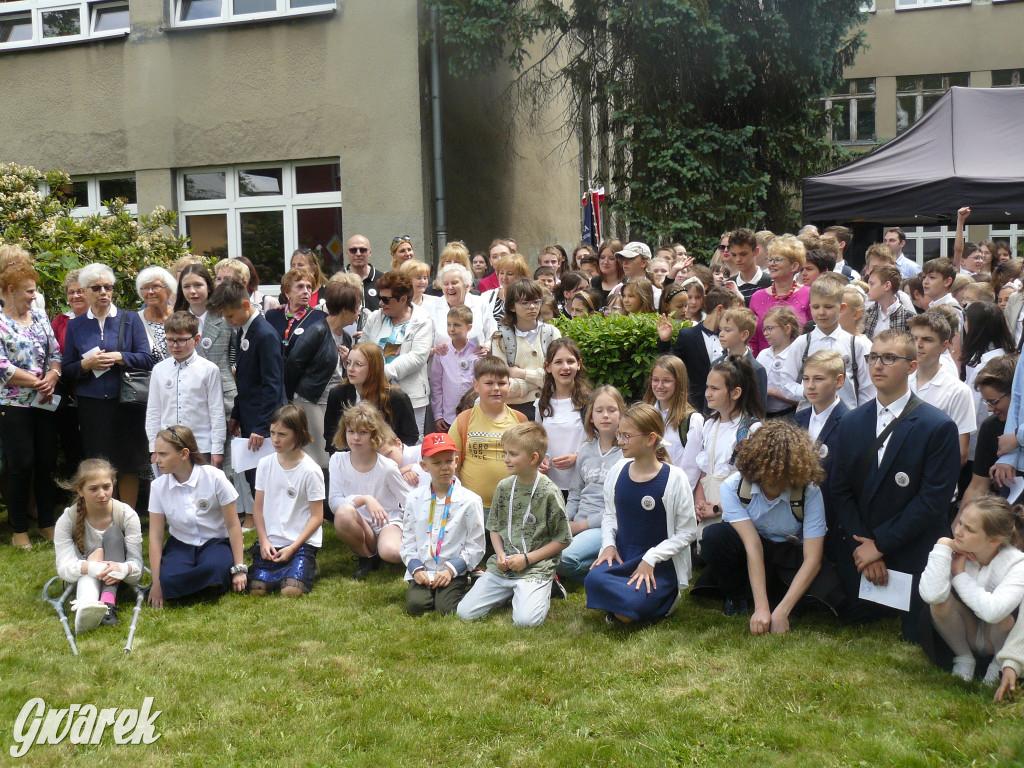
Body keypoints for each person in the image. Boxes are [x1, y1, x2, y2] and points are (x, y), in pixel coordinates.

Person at [830, 330, 961, 643]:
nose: (878, 365)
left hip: (911, 548)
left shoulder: (937, 426)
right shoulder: (851, 421)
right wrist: (864, 546)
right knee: (849, 614)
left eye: (889, 358)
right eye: (873, 357)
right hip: (862, 545)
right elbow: (840, 489)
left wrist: (882, 545)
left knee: (919, 632)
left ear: (912, 366)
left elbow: (932, 502)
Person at [700, 421, 838, 631]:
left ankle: (780, 601)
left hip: (788, 556)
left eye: (783, 477)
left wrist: (783, 612)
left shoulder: (810, 492)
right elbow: (753, 546)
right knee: (714, 536)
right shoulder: (733, 487)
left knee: (827, 595)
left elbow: (812, 559)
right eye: (768, 475)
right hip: (751, 553)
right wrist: (762, 609)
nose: (775, 483)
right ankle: (738, 598)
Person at [585, 403, 697, 624]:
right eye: (619, 434)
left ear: (650, 438)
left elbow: (687, 532)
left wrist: (651, 558)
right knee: (592, 579)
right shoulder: (618, 470)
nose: (620, 442)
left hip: (657, 566)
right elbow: (609, 514)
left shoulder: (675, 478)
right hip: (622, 557)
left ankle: (629, 607)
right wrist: (608, 544)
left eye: (627, 436)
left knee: (632, 605)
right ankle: (624, 607)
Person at [457, 422, 572, 626]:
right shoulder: (504, 487)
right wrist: (500, 554)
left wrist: (527, 559)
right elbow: (494, 527)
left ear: (533, 458)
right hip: (505, 565)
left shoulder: (549, 492)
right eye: (505, 453)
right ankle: (512, 592)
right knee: (465, 613)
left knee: (526, 622)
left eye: (512, 454)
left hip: (536, 566)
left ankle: (548, 585)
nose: (506, 459)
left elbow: (562, 539)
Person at [62, 262, 154, 511]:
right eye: (96, 288)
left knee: (129, 462)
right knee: (99, 465)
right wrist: (85, 364)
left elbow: (147, 358)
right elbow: (67, 369)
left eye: (108, 287)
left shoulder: (130, 318)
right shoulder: (76, 325)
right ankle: (105, 515)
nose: (103, 292)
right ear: (85, 291)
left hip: (126, 400)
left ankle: (129, 517)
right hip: (92, 405)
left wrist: (118, 357)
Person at [920, 495, 1024, 683]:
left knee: (1003, 618)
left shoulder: (1017, 564)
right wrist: (943, 547)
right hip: (964, 633)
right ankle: (964, 658)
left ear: (994, 541)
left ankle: (997, 665)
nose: (958, 532)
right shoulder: (952, 549)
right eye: (960, 523)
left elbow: (993, 613)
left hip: (1000, 639)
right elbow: (931, 595)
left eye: (969, 529)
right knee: (939, 605)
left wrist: (959, 574)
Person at [208, 278, 286, 521]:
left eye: (230, 316)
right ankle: (268, 535)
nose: (228, 321)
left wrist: (263, 427)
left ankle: (276, 533)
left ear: (245, 304)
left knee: (266, 483)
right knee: (255, 481)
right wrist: (237, 415)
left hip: (265, 423)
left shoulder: (264, 334)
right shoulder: (245, 330)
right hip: (250, 417)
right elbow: (246, 381)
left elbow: (272, 385)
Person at [147, 425, 246, 607]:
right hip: (181, 544)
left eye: (163, 454)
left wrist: (239, 568)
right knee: (167, 579)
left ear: (184, 454)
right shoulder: (158, 487)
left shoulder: (215, 477)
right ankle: (206, 585)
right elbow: (155, 535)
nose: (156, 460)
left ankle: (198, 583)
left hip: (215, 541)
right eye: (156, 453)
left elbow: (233, 526)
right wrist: (157, 583)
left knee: (214, 567)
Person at [0, 263, 62, 549]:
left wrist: (53, 375)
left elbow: (55, 352)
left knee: (47, 461)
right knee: (21, 464)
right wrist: (38, 382)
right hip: (14, 403)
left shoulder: (39, 316)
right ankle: (20, 529)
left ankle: (47, 523)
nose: (33, 296)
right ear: (10, 290)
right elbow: (3, 367)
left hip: (45, 401)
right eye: (29, 291)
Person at [399, 432, 486, 615]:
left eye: (448, 461)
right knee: (417, 607)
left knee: (446, 609)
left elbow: (476, 544)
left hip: (451, 570)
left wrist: (451, 570)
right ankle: (427, 588)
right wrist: (416, 569)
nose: (444, 467)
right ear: (424, 466)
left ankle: (470, 580)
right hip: (423, 568)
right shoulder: (414, 498)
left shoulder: (470, 501)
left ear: (456, 461)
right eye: (437, 463)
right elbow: (408, 539)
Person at [54, 458, 143, 633]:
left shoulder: (127, 514)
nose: (101, 494)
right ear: (80, 490)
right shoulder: (67, 520)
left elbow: (137, 568)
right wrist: (92, 567)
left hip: (117, 579)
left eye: (106, 487)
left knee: (113, 534)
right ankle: (87, 606)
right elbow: (64, 568)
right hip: (84, 577)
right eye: (93, 489)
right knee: (96, 553)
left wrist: (123, 569)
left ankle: (107, 603)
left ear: (113, 484)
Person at [329, 402, 412, 579]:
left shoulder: (387, 467)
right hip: (358, 522)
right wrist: (364, 499)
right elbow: (334, 502)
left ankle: (384, 548)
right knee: (343, 512)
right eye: (351, 432)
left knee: (392, 553)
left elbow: (409, 501)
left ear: (374, 435)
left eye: (363, 433)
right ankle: (366, 557)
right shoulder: (337, 461)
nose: (356, 438)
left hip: (387, 522)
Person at [250, 405, 325, 596]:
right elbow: (257, 509)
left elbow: (317, 517)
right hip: (272, 541)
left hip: (299, 543)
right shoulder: (265, 464)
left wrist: (293, 547)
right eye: (272, 432)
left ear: (299, 434)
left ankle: (308, 563)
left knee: (291, 591)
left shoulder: (311, 470)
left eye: (282, 434)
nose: (275, 439)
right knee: (257, 590)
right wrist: (264, 540)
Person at [284, 281, 355, 471]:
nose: (358, 313)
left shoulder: (346, 337)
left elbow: (344, 374)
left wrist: (348, 361)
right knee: (319, 460)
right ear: (344, 309)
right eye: (355, 308)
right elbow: (293, 366)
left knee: (335, 457)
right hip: (312, 402)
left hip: (334, 404)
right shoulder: (317, 331)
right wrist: (290, 400)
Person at [558, 386, 625, 582]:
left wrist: (580, 526)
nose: (606, 416)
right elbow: (575, 495)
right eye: (599, 410)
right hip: (577, 521)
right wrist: (564, 521)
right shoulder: (585, 450)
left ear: (621, 413)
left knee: (562, 559)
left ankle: (605, 567)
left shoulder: (626, 454)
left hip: (604, 526)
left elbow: (618, 507)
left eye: (612, 410)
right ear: (591, 417)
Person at [693, 355, 765, 542]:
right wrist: (700, 501)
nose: (708, 393)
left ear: (735, 393)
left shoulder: (750, 429)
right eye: (708, 387)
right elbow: (705, 470)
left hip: (736, 513)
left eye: (715, 389)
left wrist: (718, 508)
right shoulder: (710, 424)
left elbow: (752, 482)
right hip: (709, 507)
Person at [779, 275, 874, 412]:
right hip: (810, 419)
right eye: (816, 307)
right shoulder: (802, 343)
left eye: (828, 307)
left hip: (846, 419)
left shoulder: (856, 344)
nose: (821, 312)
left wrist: (861, 417)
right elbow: (786, 384)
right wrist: (808, 391)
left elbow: (867, 388)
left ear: (841, 307)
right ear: (810, 307)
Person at [145, 312, 226, 466]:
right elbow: (154, 411)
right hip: (168, 445)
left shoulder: (209, 369)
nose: (175, 345)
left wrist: (217, 448)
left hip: (201, 445)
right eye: (170, 340)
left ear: (196, 339)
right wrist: (153, 447)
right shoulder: (159, 370)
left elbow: (216, 411)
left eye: (182, 340)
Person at [449, 356, 528, 511]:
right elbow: (453, 466)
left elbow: (527, 466)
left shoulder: (520, 421)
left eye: (501, 383)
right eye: (489, 383)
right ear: (476, 386)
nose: (496, 388)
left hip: (511, 507)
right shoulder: (463, 420)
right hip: (472, 507)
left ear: (509, 385)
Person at [363, 270, 434, 436]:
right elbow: (363, 347)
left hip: (410, 396)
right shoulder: (375, 317)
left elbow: (417, 358)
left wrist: (381, 373)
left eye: (386, 299)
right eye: (379, 298)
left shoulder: (422, 321)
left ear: (403, 299)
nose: (381, 303)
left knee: (409, 445)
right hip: (375, 395)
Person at [794, 350, 849, 560]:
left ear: (838, 381)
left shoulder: (849, 421)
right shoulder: (800, 417)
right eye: (806, 379)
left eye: (818, 379)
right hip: (798, 508)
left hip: (831, 512)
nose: (810, 385)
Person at [907, 313, 976, 468]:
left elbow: (961, 454)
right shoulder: (900, 381)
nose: (918, 344)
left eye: (927, 339)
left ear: (944, 346)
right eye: (914, 338)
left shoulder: (958, 391)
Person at [656, 286, 740, 412]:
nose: (736, 317)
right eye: (732, 311)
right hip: (695, 406)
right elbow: (670, 367)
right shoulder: (688, 335)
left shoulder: (733, 337)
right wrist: (664, 341)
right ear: (720, 309)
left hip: (726, 407)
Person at [324, 342, 418, 450]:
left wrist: (391, 456)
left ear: (374, 368)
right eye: (348, 363)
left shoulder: (397, 398)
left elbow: (410, 437)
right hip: (350, 460)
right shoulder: (338, 394)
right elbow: (331, 435)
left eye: (358, 364)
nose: (350, 368)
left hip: (387, 460)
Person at [491, 278, 562, 420]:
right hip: (513, 411)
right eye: (525, 302)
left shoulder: (551, 333)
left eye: (536, 302)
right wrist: (538, 382)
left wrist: (521, 373)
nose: (532, 307)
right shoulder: (500, 338)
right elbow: (502, 386)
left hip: (548, 406)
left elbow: (557, 377)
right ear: (512, 306)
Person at [537, 339, 591, 495]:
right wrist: (542, 459)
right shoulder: (541, 404)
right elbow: (538, 441)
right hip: (550, 486)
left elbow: (601, 441)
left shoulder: (589, 402)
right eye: (558, 362)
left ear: (579, 364)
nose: (565, 367)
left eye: (570, 361)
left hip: (582, 485)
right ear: (548, 367)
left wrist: (577, 457)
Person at [961, 356, 1015, 512]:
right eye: (987, 402)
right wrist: (956, 529)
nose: (990, 409)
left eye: (995, 401)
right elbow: (978, 486)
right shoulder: (990, 427)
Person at [643, 355, 703, 488]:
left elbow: (690, 470)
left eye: (666, 381)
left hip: (673, 493)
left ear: (679, 382)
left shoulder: (692, 421)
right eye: (655, 380)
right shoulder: (645, 415)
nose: (659, 386)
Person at [749, 235, 811, 355]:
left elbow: (813, 336)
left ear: (794, 266)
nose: (771, 264)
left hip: (799, 365)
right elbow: (752, 340)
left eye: (778, 260)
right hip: (765, 365)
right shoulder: (757, 297)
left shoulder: (808, 294)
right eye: (770, 259)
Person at [429, 305, 477, 433]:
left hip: (473, 414)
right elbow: (436, 385)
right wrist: (438, 415)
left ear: (469, 327)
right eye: (449, 324)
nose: (452, 329)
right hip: (448, 417)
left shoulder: (477, 353)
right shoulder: (443, 352)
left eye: (457, 325)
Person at [429, 262, 496, 350]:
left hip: (476, 361)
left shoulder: (480, 304)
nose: (450, 287)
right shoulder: (431, 307)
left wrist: (487, 347)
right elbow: (424, 346)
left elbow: (493, 336)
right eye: (445, 284)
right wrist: (434, 350)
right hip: (443, 362)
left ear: (466, 286)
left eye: (454, 282)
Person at [716, 307, 769, 414]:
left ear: (744, 335)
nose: (721, 334)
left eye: (727, 330)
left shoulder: (756, 369)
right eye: (720, 329)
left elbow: (760, 410)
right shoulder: (716, 364)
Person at [265, 267, 328, 347]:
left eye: (309, 287)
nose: (306, 291)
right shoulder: (272, 316)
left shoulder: (320, 318)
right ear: (287, 291)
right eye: (300, 286)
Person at [758, 305, 801, 419]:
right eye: (764, 329)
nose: (765, 333)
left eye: (770, 328)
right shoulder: (763, 354)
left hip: (786, 415)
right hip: (762, 415)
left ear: (787, 329)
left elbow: (802, 397)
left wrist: (772, 392)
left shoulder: (796, 356)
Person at [136, 266, 177, 362]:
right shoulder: (136, 320)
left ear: (169, 289)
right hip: (149, 376)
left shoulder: (181, 316)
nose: (150, 292)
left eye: (156, 287)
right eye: (145, 288)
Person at [481, 253, 531, 327]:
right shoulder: (487, 296)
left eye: (510, 274)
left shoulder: (529, 297)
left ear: (520, 275)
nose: (504, 277)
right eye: (501, 273)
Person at [863, 265, 911, 339]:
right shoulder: (867, 314)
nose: (868, 287)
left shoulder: (908, 317)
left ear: (887, 285)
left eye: (872, 284)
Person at [728, 229, 772, 305]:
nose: (738, 259)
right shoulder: (727, 286)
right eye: (734, 255)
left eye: (743, 254)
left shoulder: (771, 282)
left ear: (756, 252)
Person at [51, 269, 89, 353]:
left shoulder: (101, 318)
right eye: (71, 292)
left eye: (80, 291)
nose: (75, 296)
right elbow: (51, 351)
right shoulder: (60, 320)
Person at [345, 234, 381, 311]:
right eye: (353, 250)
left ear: (370, 253)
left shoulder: (382, 279)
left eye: (363, 250)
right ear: (347, 253)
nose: (358, 254)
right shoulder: (337, 282)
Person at [922, 257, 964, 323]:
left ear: (947, 282)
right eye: (924, 277)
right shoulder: (932, 305)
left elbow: (956, 333)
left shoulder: (952, 309)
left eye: (932, 277)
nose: (925, 281)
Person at [591, 239, 624, 306]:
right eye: (602, 257)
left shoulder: (626, 284)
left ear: (620, 260)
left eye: (611, 258)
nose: (605, 262)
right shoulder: (593, 282)